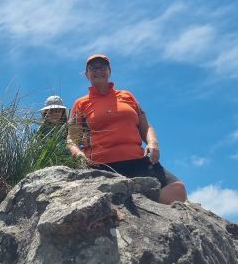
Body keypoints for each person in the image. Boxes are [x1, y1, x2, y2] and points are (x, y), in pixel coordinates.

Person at [66, 55, 187, 204]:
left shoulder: (127, 96)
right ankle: (133, 205)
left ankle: (143, 208)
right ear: (86, 75)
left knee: (177, 190)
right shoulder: (81, 104)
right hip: (101, 165)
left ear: (109, 71)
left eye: (102, 67)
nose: (98, 71)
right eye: (93, 68)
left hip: (137, 161)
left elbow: (146, 127)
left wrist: (153, 144)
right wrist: (78, 155)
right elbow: (72, 139)